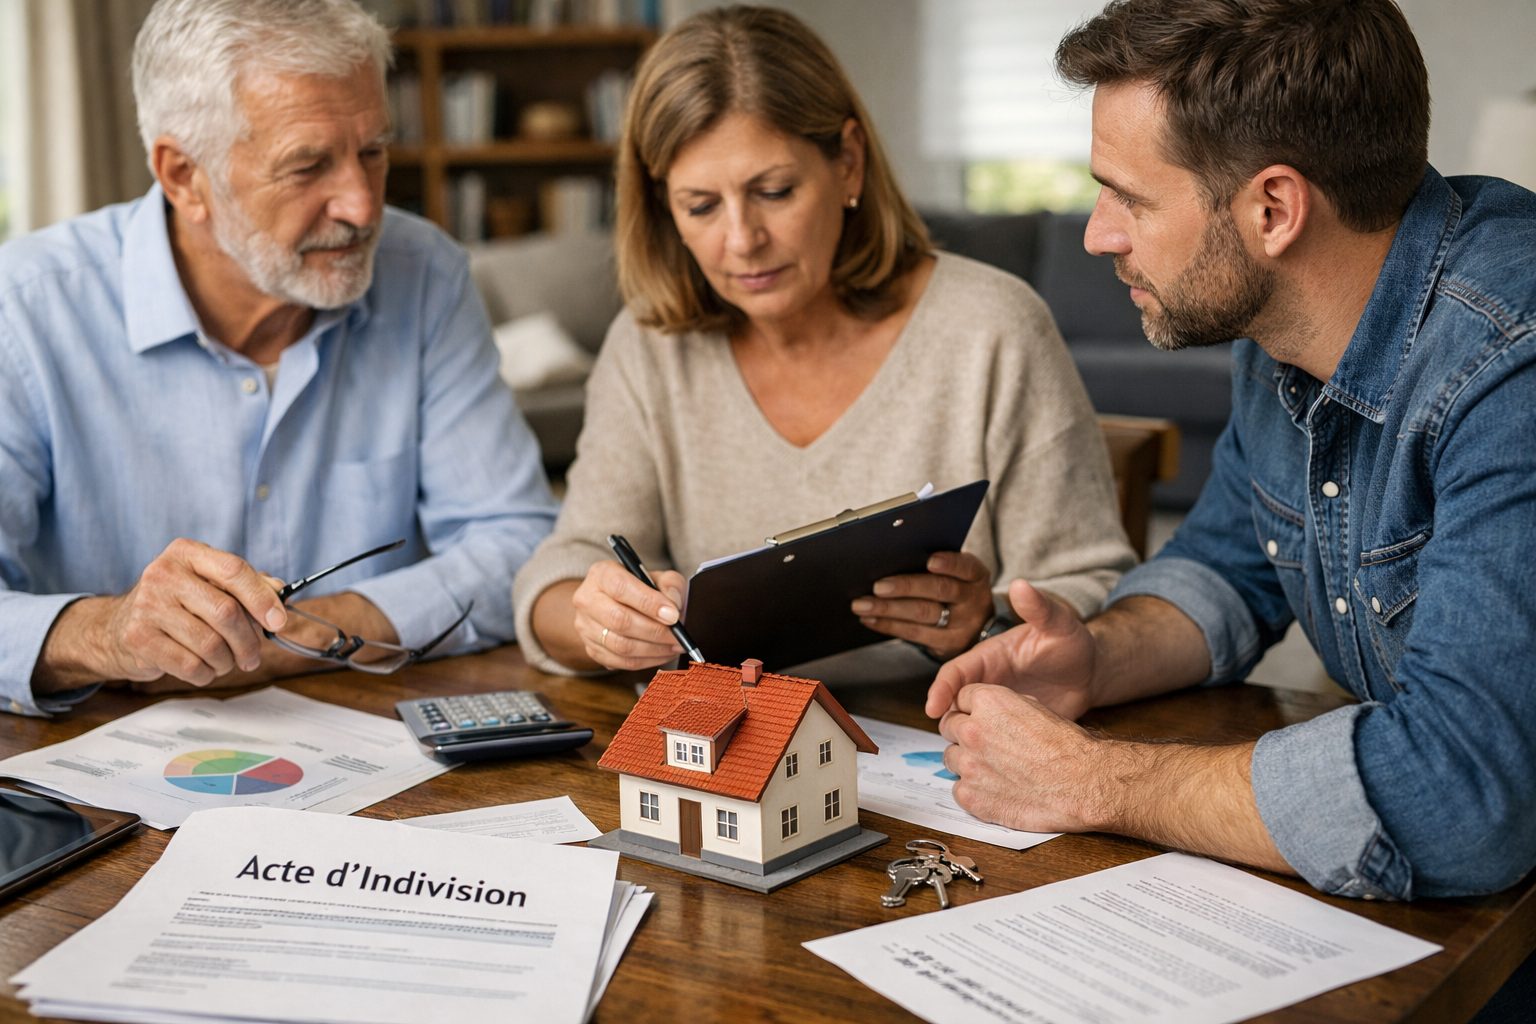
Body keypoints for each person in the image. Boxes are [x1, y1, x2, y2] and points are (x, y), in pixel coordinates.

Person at [927, 0, 1536, 903]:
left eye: (1129, 196)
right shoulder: (1282, 329)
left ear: (1275, 209)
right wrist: (1097, 657)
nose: (1098, 234)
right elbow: (1225, 566)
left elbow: (1457, 796)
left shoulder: (1507, 363)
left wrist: (1092, 781)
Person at [512, 5, 1135, 676]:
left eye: (774, 191)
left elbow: (1093, 589)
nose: (742, 240)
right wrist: (597, 619)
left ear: (848, 163)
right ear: (665, 208)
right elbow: (562, 572)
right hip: (728, 746)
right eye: (700, 206)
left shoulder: (993, 329)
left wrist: (986, 624)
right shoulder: (649, 346)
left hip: (951, 743)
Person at [0, 0, 557, 717]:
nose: (361, 207)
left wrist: (299, 638)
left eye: (374, 152)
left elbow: (517, 544)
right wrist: (110, 633)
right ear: (182, 176)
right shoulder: (25, 309)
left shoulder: (425, 276)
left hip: (378, 752)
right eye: (307, 166)